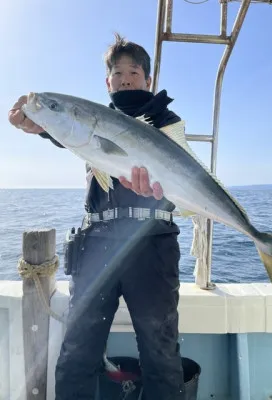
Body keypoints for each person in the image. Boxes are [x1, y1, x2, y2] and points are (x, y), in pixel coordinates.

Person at [8, 33, 186, 400]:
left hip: (152, 245)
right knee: (78, 349)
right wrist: (38, 123)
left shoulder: (164, 119)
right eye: (117, 73)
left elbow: (182, 170)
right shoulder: (93, 120)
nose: (125, 79)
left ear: (147, 80)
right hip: (98, 244)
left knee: (161, 352)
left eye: (133, 72)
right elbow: (71, 131)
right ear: (107, 82)